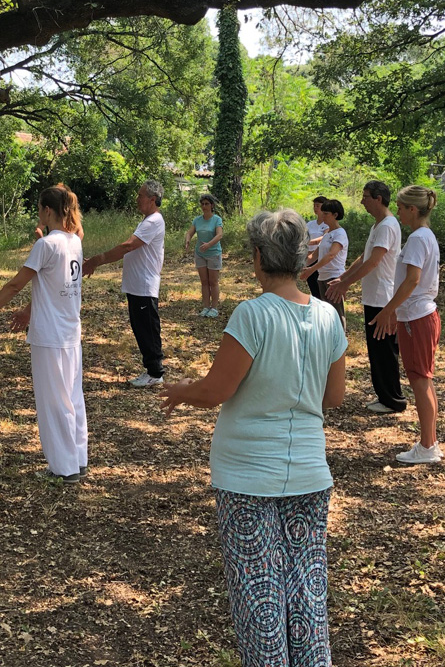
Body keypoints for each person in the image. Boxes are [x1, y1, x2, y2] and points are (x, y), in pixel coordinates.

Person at [160, 209, 346, 667]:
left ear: (259, 257)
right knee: (306, 588)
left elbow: (217, 390)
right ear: (302, 254)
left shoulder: (252, 315)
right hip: (308, 470)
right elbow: (335, 396)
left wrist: (182, 393)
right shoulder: (327, 316)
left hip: (247, 476)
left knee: (259, 595)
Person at [0, 185, 88, 481]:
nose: (38, 213)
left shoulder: (47, 245)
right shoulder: (74, 241)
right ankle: (78, 459)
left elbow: (14, 285)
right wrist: (28, 311)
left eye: (39, 208)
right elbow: (49, 284)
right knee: (72, 397)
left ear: (48, 211)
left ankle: (63, 468)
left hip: (50, 336)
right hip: (70, 333)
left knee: (54, 401)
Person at [371, 185, 442, 464]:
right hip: (419, 315)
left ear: (413, 209)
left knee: (419, 380)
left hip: (417, 316)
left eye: (401, 207)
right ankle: (429, 442)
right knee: (423, 379)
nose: (397, 211)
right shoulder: (424, 236)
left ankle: (427, 446)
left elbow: (412, 280)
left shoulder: (417, 239)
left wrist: (389, 310)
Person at [327, 181, 406, 413]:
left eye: (365, 197)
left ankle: (393, 399)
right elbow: (365, 257)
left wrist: (345, 286)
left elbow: (374, 262)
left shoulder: (388, 226)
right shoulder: (378, 226)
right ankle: (384, 395)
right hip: (373, 297)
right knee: (376, 350)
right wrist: (343, 278)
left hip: (383, 297)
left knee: (384, 351)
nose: (362, 201)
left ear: (378, 199)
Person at [83, 180, 167, 387]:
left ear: (152, 199)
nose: (137, 199)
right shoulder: (147, 221)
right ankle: (152, 370)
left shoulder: (153, 221)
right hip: (137, 285)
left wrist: (97, 260)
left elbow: (128, 247)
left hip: (144, 286)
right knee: (140, 327)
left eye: (140, 196)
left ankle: (155, 372)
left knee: (147, 327)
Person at [300, 199, 348, 332]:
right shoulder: (328, 235)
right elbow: (314, 255)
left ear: (335, 215)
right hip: (322, 277)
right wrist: (298, 267)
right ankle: (329, 340)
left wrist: (311, 269)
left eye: (326, 213)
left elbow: (331, 255)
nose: (322, 215)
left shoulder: (340, 233)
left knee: (336, 313)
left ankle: (340, 341)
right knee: (325, 312)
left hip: (334, 278)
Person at [183, 192, 225, 318]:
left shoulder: (216, 219)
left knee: (213, 281)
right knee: (204, 281)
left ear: (212, 205)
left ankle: (214, 308)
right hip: (200, 253)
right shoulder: (197, 220)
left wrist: (209, 244)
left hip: (213, 253)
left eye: (207, 204)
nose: (204, 206)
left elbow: (219, 235)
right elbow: (190, 232)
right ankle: (206, 307)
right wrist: (187, 239)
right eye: (202, 204)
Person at [303, 196, 329, 299]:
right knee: (312, 282)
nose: (315, 208)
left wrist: (310, 242)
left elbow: (324, 238)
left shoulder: (327, 224)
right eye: (314, 206)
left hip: (320, 256)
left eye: (318, 206)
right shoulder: (310, 224)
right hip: (309, 256)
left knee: (320, 282)